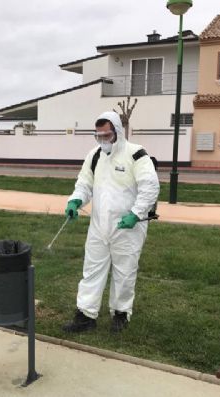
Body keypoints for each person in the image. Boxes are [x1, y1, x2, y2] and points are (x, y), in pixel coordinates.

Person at [62, 111, 160, 333]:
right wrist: (75, 200)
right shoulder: (94, 156)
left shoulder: (136, 155)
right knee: (92, 269)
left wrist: (135, 214)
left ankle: (121, 313)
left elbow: (150, 187)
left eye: (107, 135)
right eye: (99, 136)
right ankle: (86, 314)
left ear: (117, 131)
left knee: (124, 271)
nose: (103, 140)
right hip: (99, 225)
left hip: (128, 226)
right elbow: (85, 183)